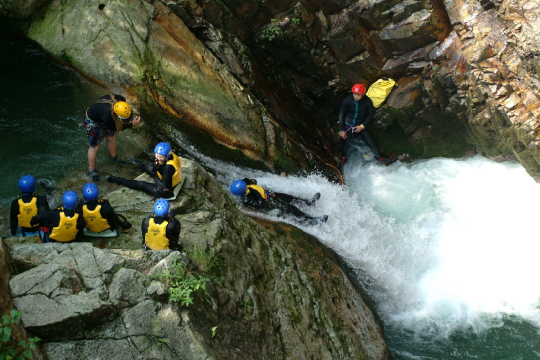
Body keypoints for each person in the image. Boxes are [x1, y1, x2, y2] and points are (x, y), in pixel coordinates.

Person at [83, 94, 142, 182]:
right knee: (94, 147)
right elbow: (117, 128)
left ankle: (113, 158)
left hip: (104, 115)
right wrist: (132, 124)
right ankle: (92, 170)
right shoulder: (107, 115)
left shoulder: (121, 100)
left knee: (111, 136)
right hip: (94, 122)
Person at [229, 178, 327, 225]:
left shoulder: (246, 186)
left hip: (270, 195)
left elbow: (252, 182)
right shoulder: (247, 199)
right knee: (290, 209)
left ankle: (308, 202)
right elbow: (260, 204)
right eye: (244, 187)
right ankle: (311, 221)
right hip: (270, 204)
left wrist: (251, 182)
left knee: (289, 197)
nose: (246, 186)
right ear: (242, 191)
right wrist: (261, 195)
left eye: (245, 184)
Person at [106, 142, 182, 200]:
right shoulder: (170, 155)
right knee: (148, 167)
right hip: (166, 176)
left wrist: (154, 174)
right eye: (157, 155)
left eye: (161, 157)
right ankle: (140, 165)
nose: (158, 158)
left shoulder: (168, 168)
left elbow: (163, 186)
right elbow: (159, 164)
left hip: (166, 190)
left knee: (141, 184)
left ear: (167, 156)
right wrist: (155, 168)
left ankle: (120, 181)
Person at [339, 84, 390, 165]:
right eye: (354, 94)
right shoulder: (347, 101)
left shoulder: (367, 101)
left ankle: (378, 157)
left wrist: (362, 126)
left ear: (362, 94)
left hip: (361, 125)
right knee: (345, 143)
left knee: (372, 144)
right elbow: (341, 115)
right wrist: (342, 129)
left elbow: (370, 114)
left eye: (358, 95)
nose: (355, 96)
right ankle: (343, 158)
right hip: (348, 125)